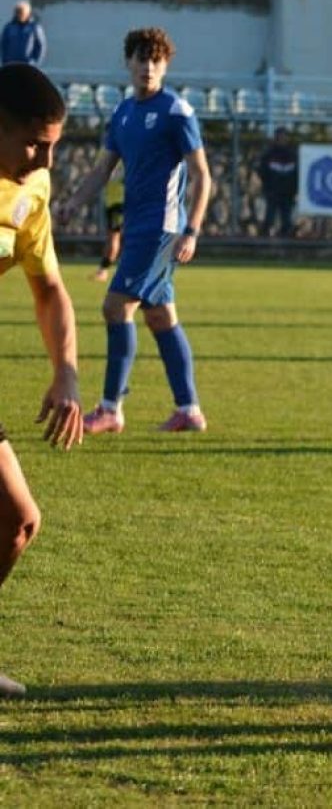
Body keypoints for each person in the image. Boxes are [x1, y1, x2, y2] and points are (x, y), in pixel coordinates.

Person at [61, 27, 212, 434]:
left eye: (156, 60)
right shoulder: (123, 113)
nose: (148, 67)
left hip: (161, 229)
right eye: (141, 59)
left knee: (115, 306)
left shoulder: (176, 111)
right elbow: (102, 169)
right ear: (128, 63)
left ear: (166, 65)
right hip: (138, 227)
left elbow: (202, 175)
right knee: (161, 317)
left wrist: (192, 230)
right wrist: (74, 202)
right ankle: (188, 410)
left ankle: (110, 408)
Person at [0, 63, 85, 696]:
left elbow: (49, 287)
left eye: (52, 144)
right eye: (34, 141)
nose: (44, 157)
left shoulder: (33, 190)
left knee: (16, 522)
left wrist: (67, 374)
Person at [257, 127, 298, 237]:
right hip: (272, 192)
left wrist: (294, 190)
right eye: (279, 137)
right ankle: (264, 240)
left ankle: (286, 242)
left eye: (284, 137)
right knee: (269, 218)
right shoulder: (269, 154)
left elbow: (297, 174)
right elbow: (262, 171)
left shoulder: (293, 155)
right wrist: (267, 186)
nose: (282, 139)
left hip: (288, 193)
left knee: (286, 219)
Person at [92, 161, 125, 283]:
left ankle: (103, 271)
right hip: (111, 201)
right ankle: (103, 269)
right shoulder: (108, 149)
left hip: (119, 201)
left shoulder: (124, 153)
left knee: (114, 237)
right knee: (112, 236)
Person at [0, 1, 46, 66]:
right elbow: (3, 45)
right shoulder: (9, 27)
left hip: (27, 65)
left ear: (27, 13)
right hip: (11, 64)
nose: (19, 15)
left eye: (21, 12)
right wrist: (4, 61)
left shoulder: (34, 27)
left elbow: (41, 46)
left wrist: (35, 62)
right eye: (17, 12)